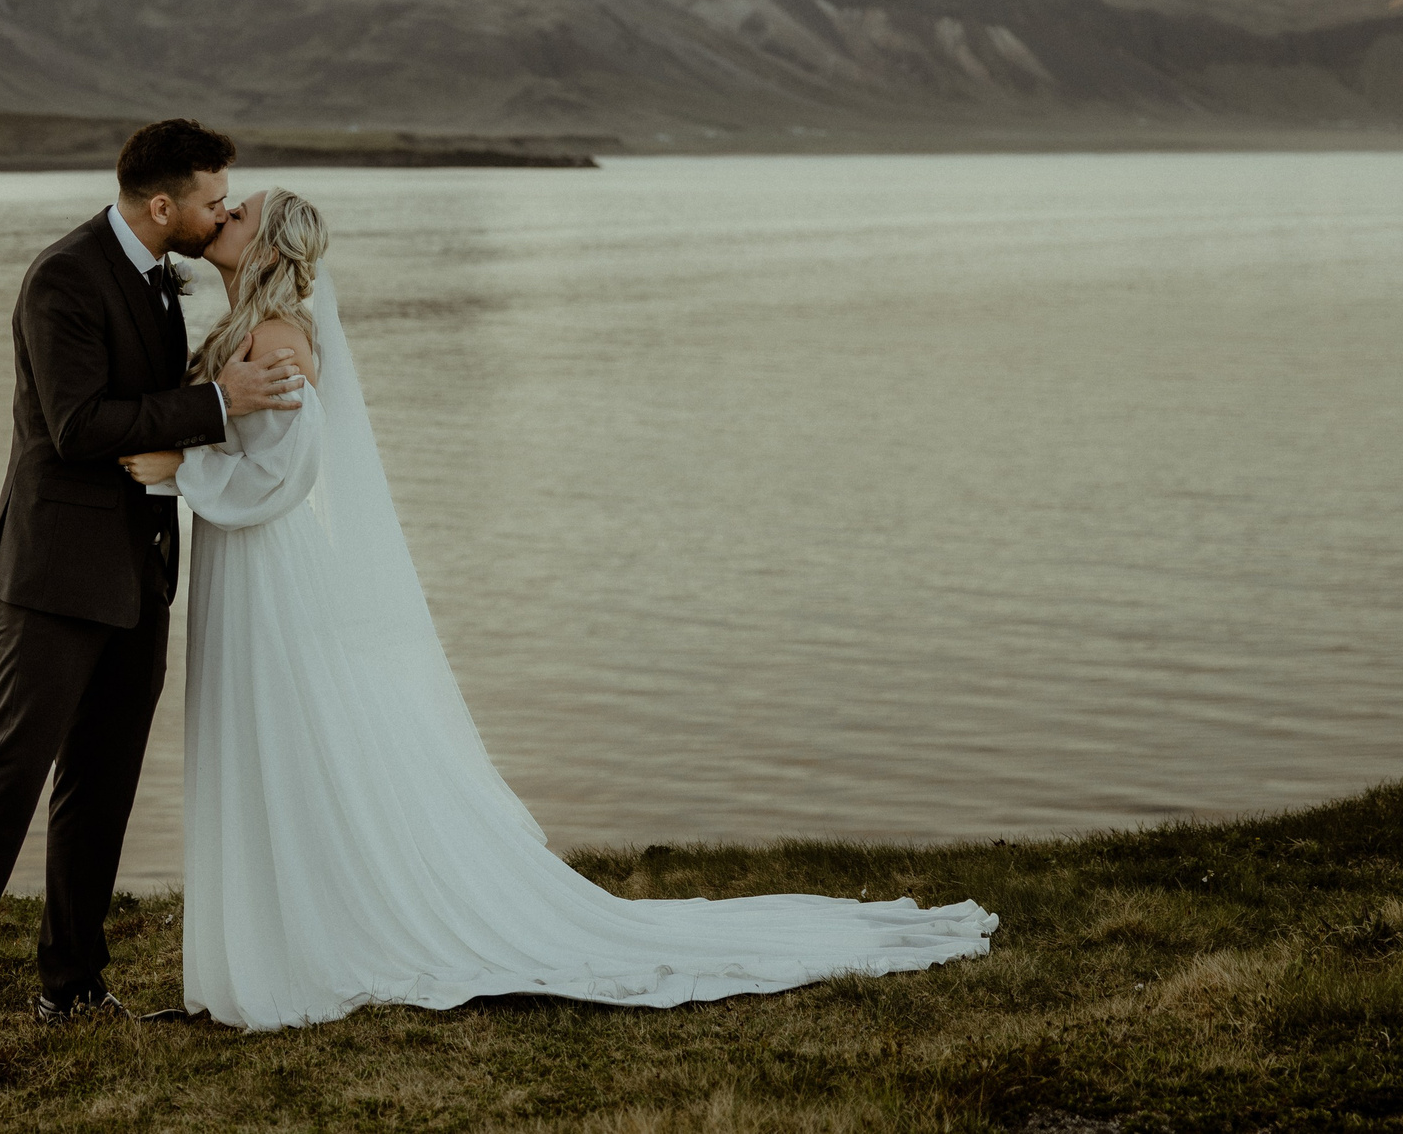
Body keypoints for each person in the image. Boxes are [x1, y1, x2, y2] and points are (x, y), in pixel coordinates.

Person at [120, 188, 999, 1031]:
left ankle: (319, 939)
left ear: (270, 247)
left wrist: (179, 472)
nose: (223, 215)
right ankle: (285, 928)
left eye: (240, 212)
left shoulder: (280, 337)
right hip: (244, 558)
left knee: (285, 734)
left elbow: (286, 476)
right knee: (267, 735)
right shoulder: (244, 327)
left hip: (269, 564)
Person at [0, 119, 304, 1041]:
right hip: (55, 572)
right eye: (211, 200)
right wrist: (216, 404)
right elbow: (78, 424)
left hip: (139, 570)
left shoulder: (164, 281)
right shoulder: (64, 277)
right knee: (9, 774)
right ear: (163, 205)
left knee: (103, 781)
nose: (220, 212)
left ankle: (72, 983)